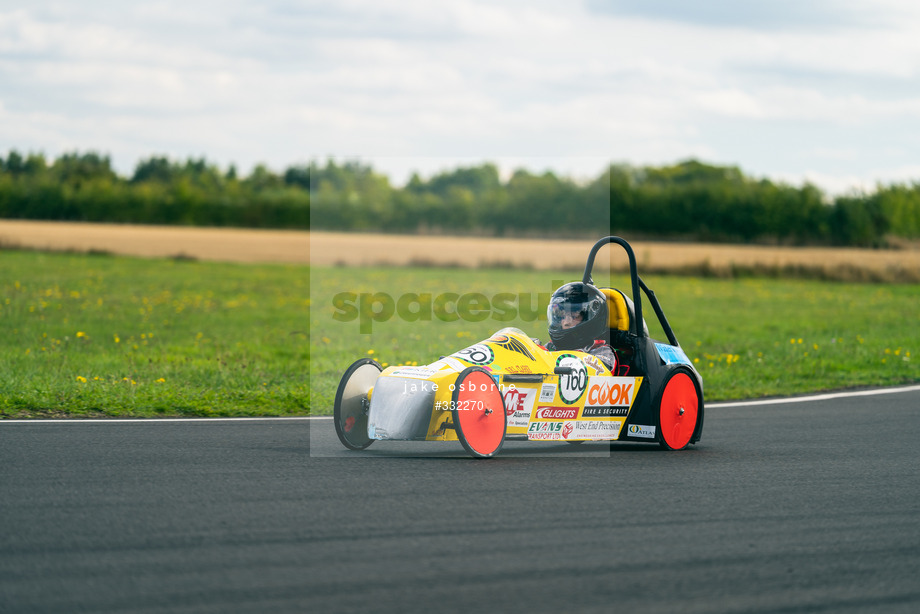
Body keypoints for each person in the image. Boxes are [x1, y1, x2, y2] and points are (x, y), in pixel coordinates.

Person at [544, 282, 618, 372]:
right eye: (562, 316)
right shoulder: (551, 346)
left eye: (574, 316)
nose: (566, 323)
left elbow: (596, 373)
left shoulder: (602, 352)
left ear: (589, 317)